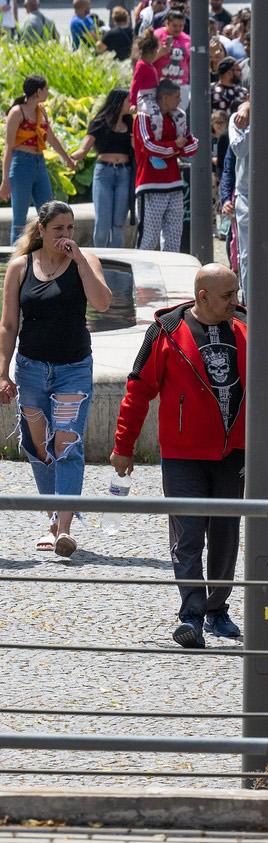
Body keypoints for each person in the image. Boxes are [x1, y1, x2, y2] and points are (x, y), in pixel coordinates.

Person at [111, 265, 242, 645]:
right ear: (202, 297)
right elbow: (138, 390)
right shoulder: (165, 332)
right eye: (227, 295)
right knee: (187, 534)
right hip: (184, 454)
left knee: (226, 534)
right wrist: (123, 445)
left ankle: (217, 609)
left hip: (233, 453)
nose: (235, 301)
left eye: (235, 293)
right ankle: (191, 615)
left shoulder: (246, 326)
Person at [0, 201, 112, 556]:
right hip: (32, 369)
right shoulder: (20, 267)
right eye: (58, 229)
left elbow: (104, 303)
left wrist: (79, 260)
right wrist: (2, 372)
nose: (65, 235)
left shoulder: (84, 262)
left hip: (73, 369)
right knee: (37, 448)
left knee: (67, 444)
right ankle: (52, 518)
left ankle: (64, 529)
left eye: (70, 229)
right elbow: (8, 325)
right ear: (42, 231)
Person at [5, 76, 80, 245]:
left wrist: (67, 159)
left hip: (39, 163)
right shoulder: (17, 112)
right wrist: (5, 180)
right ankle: (16, 263)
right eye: (46, 89)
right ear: (38, 91)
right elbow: (9, 147)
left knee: (49, 213)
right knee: (19, 219)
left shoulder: (41, 111)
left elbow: (51, 138)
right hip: (21, 165)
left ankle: (48, 254)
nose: (48, 92)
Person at [132, 79, 199, 252]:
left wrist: (173, 148)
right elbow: (149, 147)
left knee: (174, 237)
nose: (179, 101)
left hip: (175, 185)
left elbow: (192, 145)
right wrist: (176, 147)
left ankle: (171, 275)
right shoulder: (143, 118)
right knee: (149, 237)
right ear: (164, 97)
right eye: (176, 97)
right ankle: (140, 274)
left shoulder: (176, 118)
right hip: (150, 186)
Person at [75, 88, 133, 249]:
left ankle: (117, 262)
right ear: (118, 102)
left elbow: (137, 149)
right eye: (128, 100)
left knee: (118, 224)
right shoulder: (99, 122)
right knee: (103, 223)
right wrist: (70, 158)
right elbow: (84, 149)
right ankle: (100, 259)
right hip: (104, 173)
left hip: (124, 173)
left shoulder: (130, 122)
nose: (130, 104)